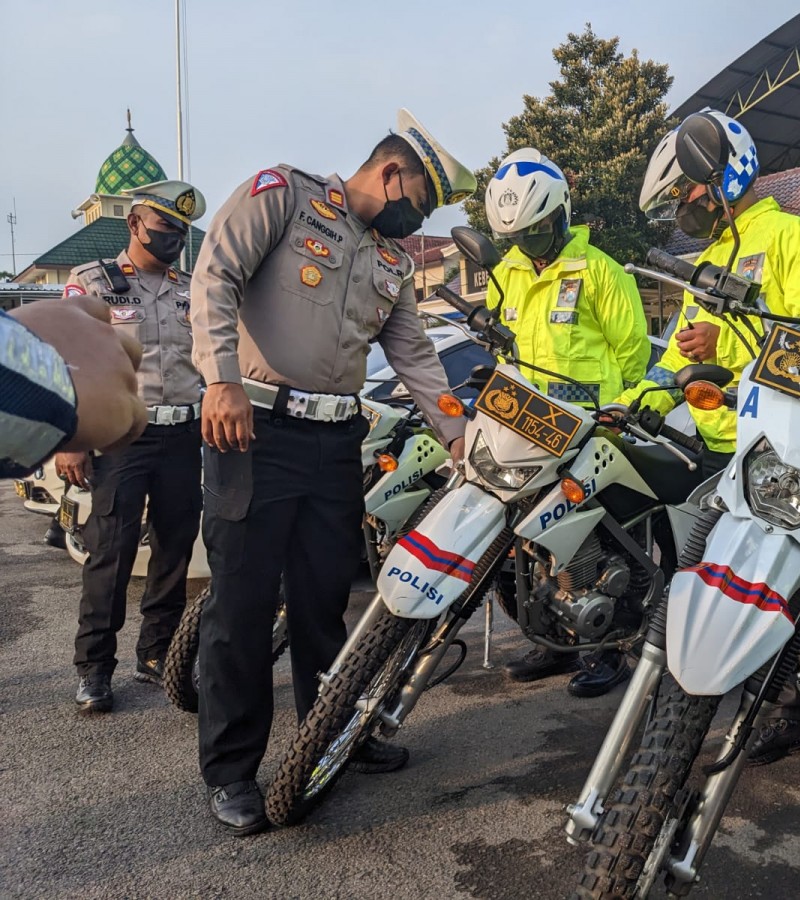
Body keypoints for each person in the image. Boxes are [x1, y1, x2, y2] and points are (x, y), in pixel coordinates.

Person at [189, 109, 473, 836]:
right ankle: (232, 772)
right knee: (242, 610)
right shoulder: (282, 195)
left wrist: (457, 434)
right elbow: (215, 274)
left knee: (323, 607)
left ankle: (333, 737)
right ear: (392, 173)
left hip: (334, 441)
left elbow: (415, 357)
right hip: (251, 428)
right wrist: (219, 378)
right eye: (421, 201)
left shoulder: (392, 263)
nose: (419, 220)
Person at [618, 109, 800, 797]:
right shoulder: (711, 259)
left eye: (687, 193)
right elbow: (680, 356)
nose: (683, 208)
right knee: (720, 588)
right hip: (729, 452)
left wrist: (726, 349)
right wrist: (648, 397)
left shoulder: (796, 239)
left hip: (790, 455)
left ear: (726, 176)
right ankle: (767, 704)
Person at [483, 147, 652, 698]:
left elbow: (633, 357)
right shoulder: (503, 275)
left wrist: (617, 414)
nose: (526, 245)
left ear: (560, 214)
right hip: (526, 433)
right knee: (527, 546)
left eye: (535, 231)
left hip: (590, 434)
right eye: (517, 236)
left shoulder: (600, 273)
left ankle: (607, 651)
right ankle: (552, 640)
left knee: (591, 550)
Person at [53, 181, 206, 713]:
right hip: (122, 437)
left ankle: (157, 651)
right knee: (111, 552)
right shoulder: (92, 281)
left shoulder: (192, 287)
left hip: (184, 435)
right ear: (135, 225)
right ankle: (94, 668)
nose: (174, 238)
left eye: (181, 231)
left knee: (174, 549)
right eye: (165, 227)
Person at [0, 295, 146, 477]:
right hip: (105, 425)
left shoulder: (181, 283)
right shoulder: (93, 278)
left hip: (176, 429)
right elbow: (69, 333)